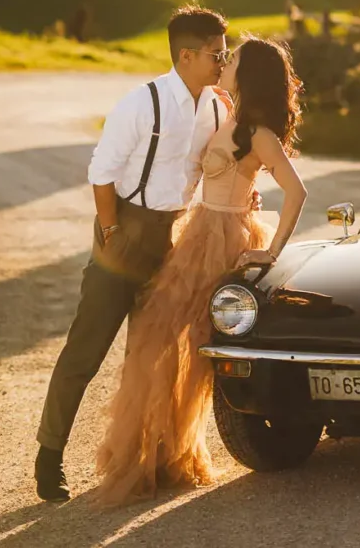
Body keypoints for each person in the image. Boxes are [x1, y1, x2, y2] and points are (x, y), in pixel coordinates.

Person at [33, 4, 241, 503]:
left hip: (175, 239)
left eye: (225, 52)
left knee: (149, 361)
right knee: (86, 350)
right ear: (186, 55)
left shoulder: (215, 107)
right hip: (124, 228)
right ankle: (48, 457)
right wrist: (110, 228)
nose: (222, 62)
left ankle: (144, 462)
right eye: (217, 54)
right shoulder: (141, 103)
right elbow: (101, 171)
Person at [93, 36, 308, 504]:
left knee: (186, 340)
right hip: (199, 230)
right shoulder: (225, 112)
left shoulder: (259, 133)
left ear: (246, 74)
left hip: (224, 240)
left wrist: (270, 251)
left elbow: (296, 192)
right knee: (162, 338)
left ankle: (167, 456)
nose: (223, 64)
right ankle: (163, 453)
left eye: (231, 60)